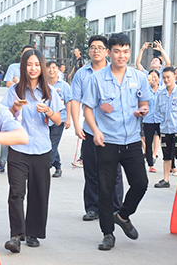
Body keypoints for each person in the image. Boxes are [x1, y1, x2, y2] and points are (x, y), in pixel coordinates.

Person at [83, 33, 151, 251]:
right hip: (107, 142)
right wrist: (95, 131)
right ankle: (108, 234)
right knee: (106, 190)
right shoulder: (97, 79)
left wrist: (142, 111)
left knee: (140, 183)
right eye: (117, 51)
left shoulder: (138, 77)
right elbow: (88, 108)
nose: (122, 55)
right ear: (109, 53)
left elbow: (144, 103)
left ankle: (123, 215)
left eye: (125, 51)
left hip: (131, 141)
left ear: (130, 52)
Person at [2, 49, 62, 253]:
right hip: (18, 148)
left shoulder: (49, 92)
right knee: (16, 192)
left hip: (41, 149)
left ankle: (33, 233)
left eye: (37, 64)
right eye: (29, 64)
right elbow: (3, 118)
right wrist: (14, 109)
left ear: (42, 67)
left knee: (39, 193)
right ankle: (16, 235)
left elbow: (58, 120)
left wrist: (49, 111)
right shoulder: (14, 91)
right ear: (23, 67)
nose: (33, 68)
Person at [70, 35, 124, 222]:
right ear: (88, 51)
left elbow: (119, 101)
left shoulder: (115, 72)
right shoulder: (81, 74)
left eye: (100, 47)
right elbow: (75, 100)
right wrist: (77, 124)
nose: (96, 51)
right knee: (91, 171)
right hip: (90, 130)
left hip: (112, 131)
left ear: (107, 52)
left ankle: (116, 208)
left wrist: (102, 105)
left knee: (114, 172)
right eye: (93, 47)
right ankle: (93, 208)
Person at [0, 44, 35, 174]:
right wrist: (19, 84)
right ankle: (2, 162)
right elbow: (8, 83)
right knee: (6, 131)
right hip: (14, 107)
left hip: (30, 113)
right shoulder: (13, 68)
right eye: (26, 53)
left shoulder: (35, 70)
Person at [154, 67, 177, 189]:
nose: (166, 80)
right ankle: (165, 180)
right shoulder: (161, 94)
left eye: (168, 77)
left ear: (174, 77)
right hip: (165, 129)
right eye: (164, 78)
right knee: (166, 155)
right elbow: (158, 111)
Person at [46, 60, 71, 178]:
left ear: (58, 69)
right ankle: (58, 166)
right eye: (49, 68)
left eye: (54, 68)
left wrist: (68, 118)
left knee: (52, 145)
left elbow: (69, 102)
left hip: (59, 120)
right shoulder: (42, 84)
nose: (51, 70)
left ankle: (45, 168)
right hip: (45, 120)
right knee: (49, 144)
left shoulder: (64, 86)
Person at [141, 70, 162, 174]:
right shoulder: (145, 90)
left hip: (160, 120)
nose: (153, 79)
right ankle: (151, 164)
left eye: (155, 77)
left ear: (159, 78)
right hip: (148, 120)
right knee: (148, 143)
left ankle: (171, 165)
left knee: (166, 143)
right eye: (151, 77)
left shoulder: (162, 90)